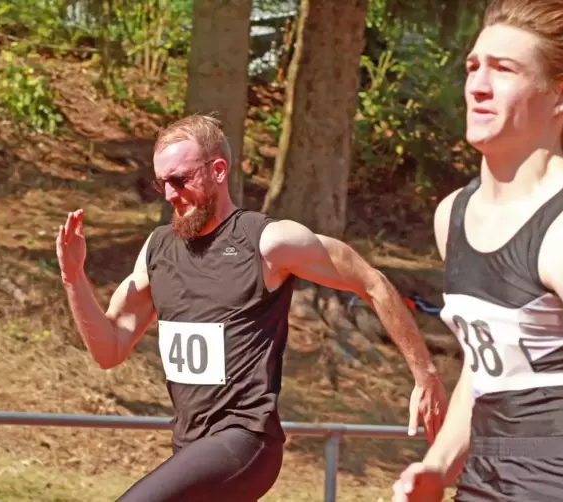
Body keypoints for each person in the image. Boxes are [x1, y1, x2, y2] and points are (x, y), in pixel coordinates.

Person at [57, 114, 446, 501]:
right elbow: (108, 349)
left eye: (181, 180)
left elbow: (370, 280)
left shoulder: (267, 242)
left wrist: (425, 374)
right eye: (162, 183)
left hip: (245, 442)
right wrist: (74, 277)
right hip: (190, 446)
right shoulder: (157, 251)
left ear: (219, 170)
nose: (171, 194)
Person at [392, 1, 563, 501]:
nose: (477, 86)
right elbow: (486, 367)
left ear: (560, 95)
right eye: (473, 67)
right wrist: (436, 467)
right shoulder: (452, 215)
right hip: (483, 478)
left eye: (504, 69)